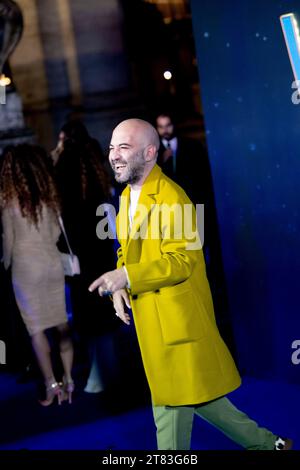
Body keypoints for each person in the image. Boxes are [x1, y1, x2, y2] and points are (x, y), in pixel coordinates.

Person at [89, 118, 292, 450]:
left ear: (150, 152)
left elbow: (183, 261)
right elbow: (128, 249)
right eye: (112, 147)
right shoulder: (126, 197)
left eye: (124, 147)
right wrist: (120, 283)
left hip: (176, 327)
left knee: (169, 410)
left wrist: (127, 276)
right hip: (154, 324)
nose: (113, 155)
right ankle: (271, 446)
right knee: (200, 400)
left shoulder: (174, 198)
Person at [0, 144, 74, 405]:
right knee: (62, 324)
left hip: (25, 267)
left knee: (37, 330)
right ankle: (69, 380)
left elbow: (8, 243)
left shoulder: (8, 201)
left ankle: (51, 385)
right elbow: (56, 234)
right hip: (52, 263)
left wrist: (5, 264)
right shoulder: (49, 196)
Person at [52, 120, 119, 394]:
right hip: (103, 245)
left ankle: (100, 374)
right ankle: (109, 370)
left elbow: (63, 216)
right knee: (106, 307)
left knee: (88, 314)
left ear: (65, 138)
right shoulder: (96, 161)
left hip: (80, 249)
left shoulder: (65, 165)